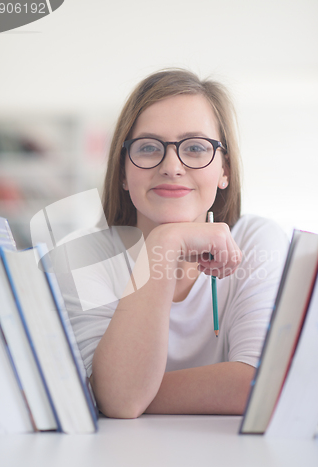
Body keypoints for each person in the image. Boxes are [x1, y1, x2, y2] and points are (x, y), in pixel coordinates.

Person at [58, 69, 289, 419]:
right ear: (123, 171)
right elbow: (120, 402)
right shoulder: (83, 255)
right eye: (149, 147)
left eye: (195, 147)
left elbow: (259, 386)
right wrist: (164, 245)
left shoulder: (258, 241)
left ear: (224, 169)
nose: (172, 166)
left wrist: (117, 390)